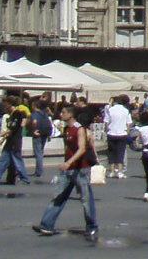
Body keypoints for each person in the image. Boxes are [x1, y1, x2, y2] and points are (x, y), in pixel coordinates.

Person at [33, 103, 98, 242]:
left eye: (63, 112)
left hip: (80, 169)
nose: (61, 115)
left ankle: (92, 225)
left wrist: (69, 162)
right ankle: (46, 225)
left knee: (86, 198)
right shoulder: (66, 129)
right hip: (68, 169)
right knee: (59, 196)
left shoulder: (78, 129)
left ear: (71, 115)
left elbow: (82, 149)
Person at [0, 96, 32, 184]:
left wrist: (1, 134)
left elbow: (14, 129)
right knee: (3, 159)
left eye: (6, 105)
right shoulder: (11, 115)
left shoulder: (17, 114)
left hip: (15, 142)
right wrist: (3, 139)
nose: (4, 107)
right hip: (10, 141)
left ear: (10, 105)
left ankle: (25, 178)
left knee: (17, 160)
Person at [102, 95, 132, 180]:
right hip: (122, 133)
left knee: (111, 153)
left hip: (111, 133)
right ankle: (120, 171)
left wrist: (106, 131)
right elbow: (128, 123)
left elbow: (106, 122)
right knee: (120, 152)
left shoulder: (110, 110)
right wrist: (128, 133)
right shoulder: (126, 111)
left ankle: (112, 171)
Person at [29, 100, 53, 179]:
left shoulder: (34, 114)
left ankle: (39, 171)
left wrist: (33, 130)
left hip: (38, 134)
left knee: (38, 153)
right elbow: (49, 122)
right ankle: (38, 170)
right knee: (41, 152)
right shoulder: (44, 114)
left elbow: (34, 122)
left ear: (34, 106)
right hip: (45, 134)